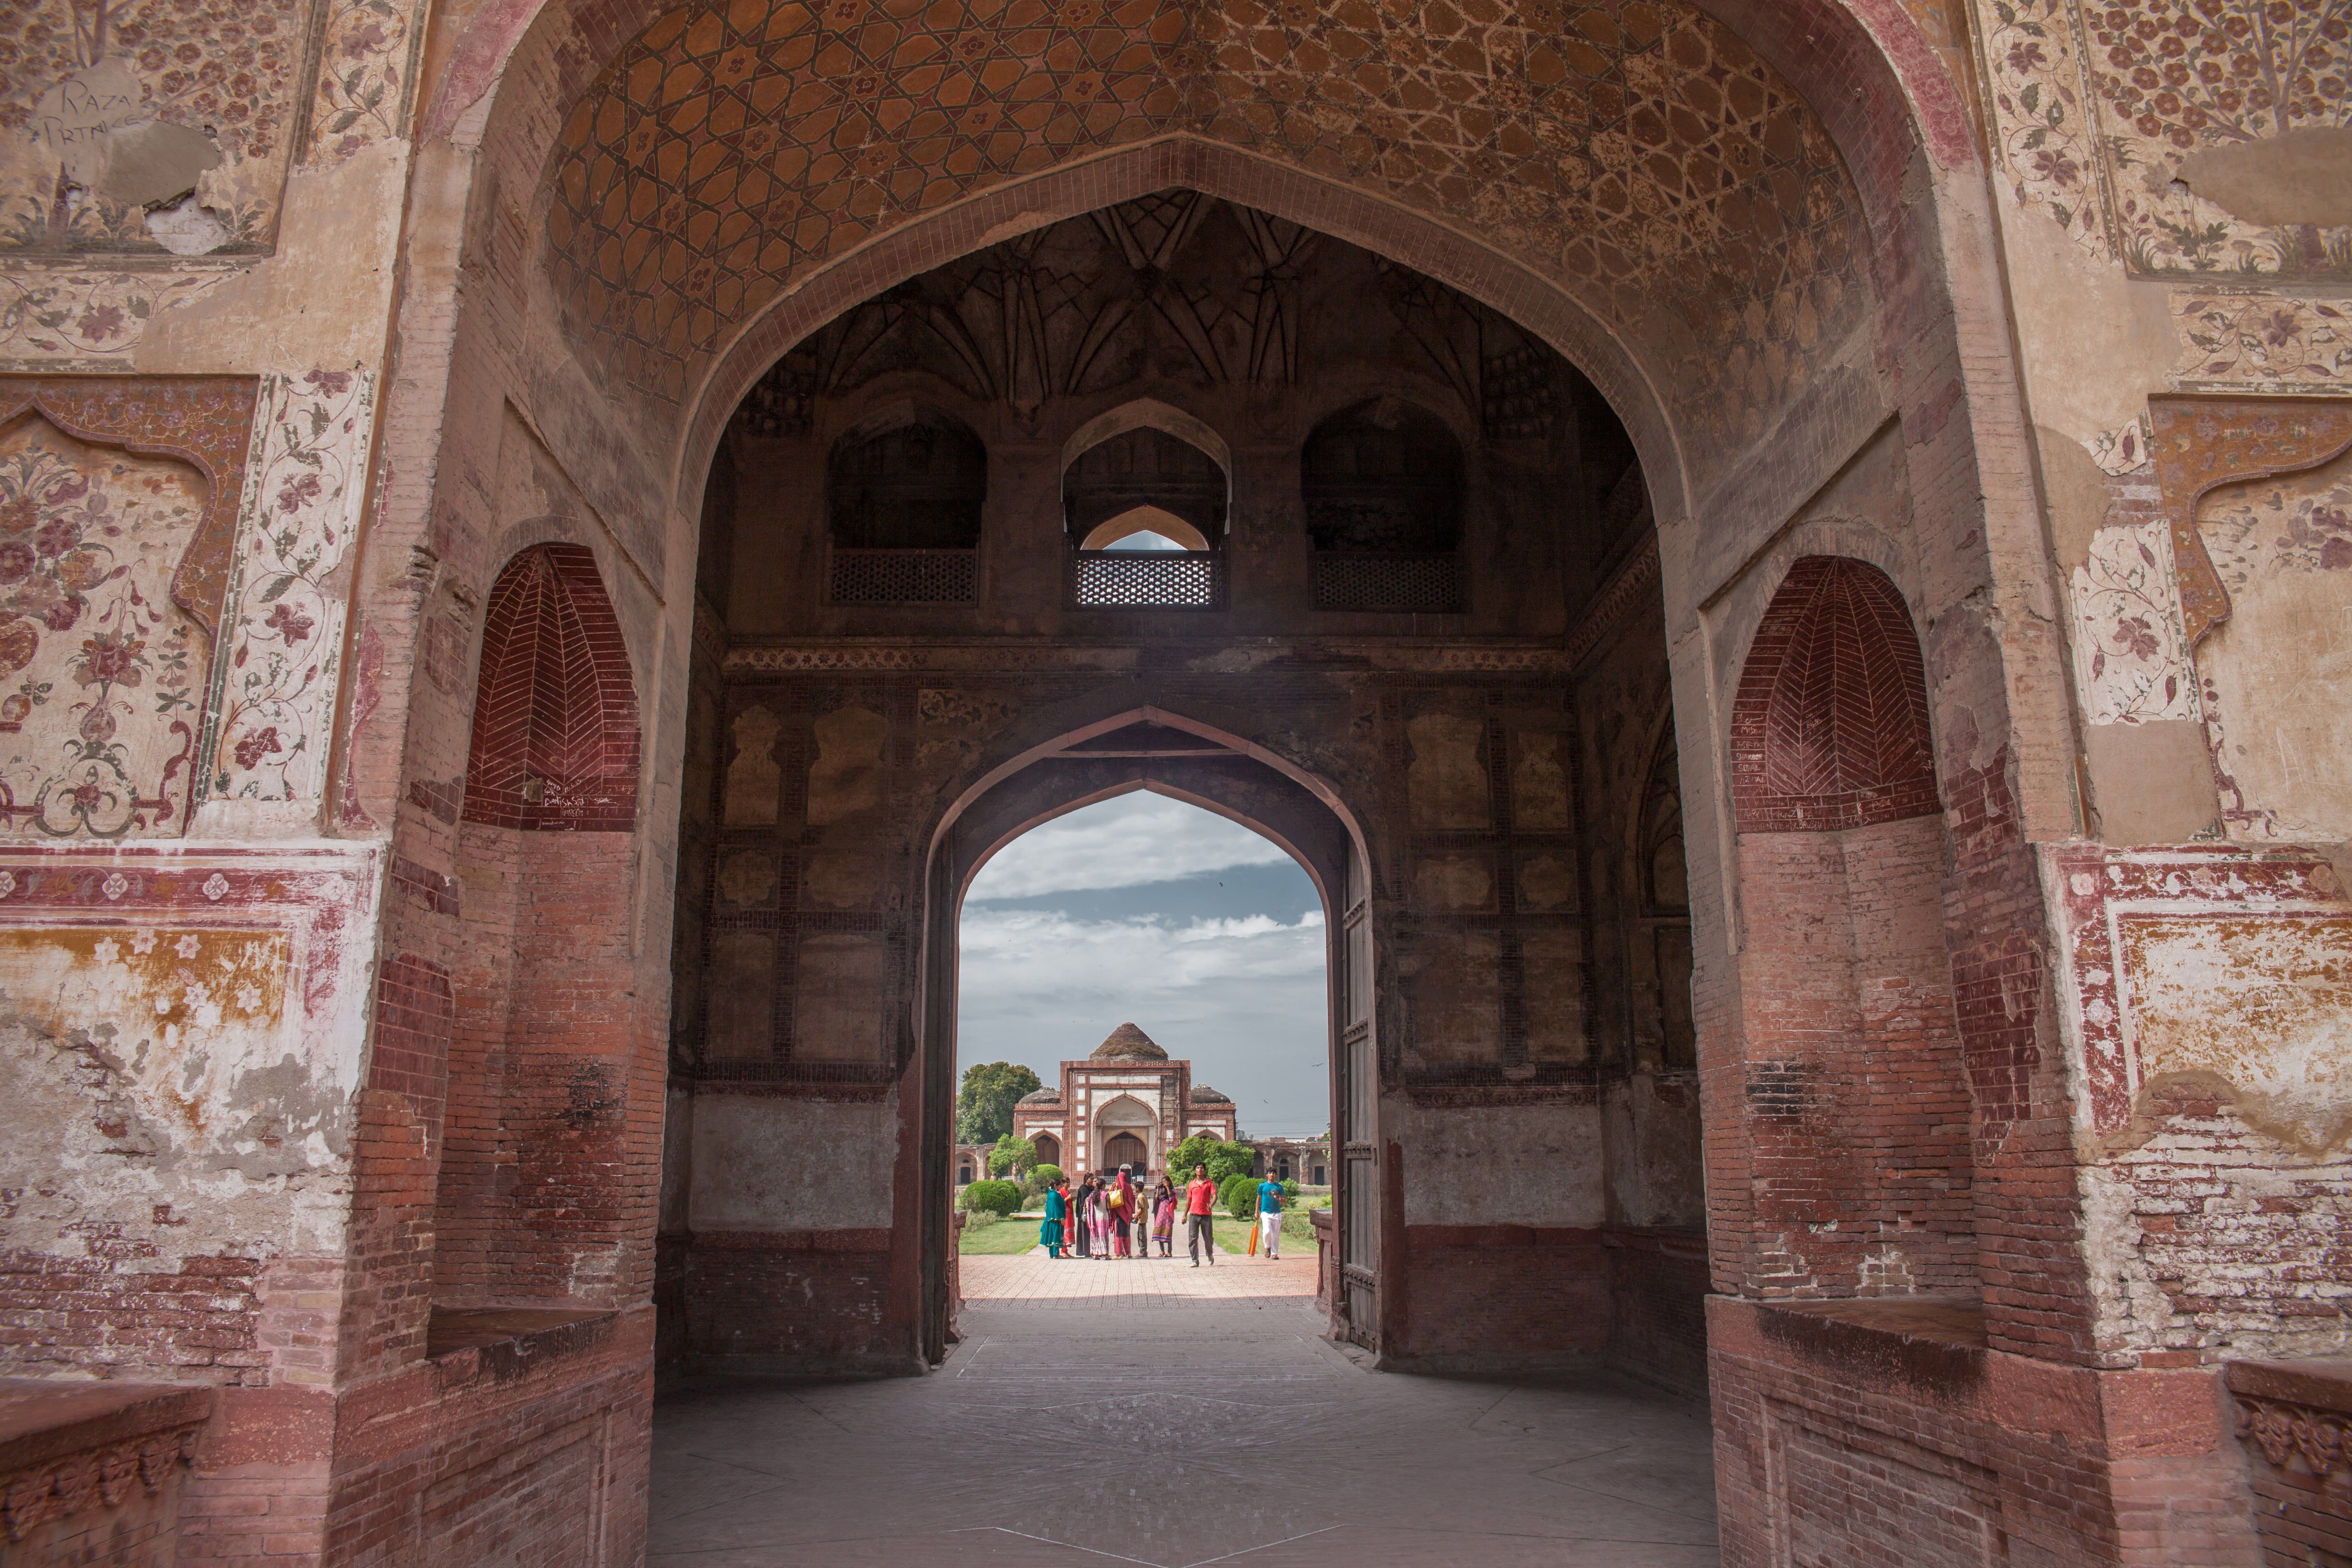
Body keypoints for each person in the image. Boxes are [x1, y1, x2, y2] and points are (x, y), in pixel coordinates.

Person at [1184, 1163, 1218, 1267]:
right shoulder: (1192, 1184)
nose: (1200, 1169)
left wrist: (1211, 1205)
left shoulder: (1209, 1183)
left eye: (1202, 1168)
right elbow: (1189, 1201)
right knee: (1193, 1238)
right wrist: (1185, 1215)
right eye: (1198, 1168)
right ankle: (1195, 1260)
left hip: (1206, 1215)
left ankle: (1210, 1254)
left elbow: (1215, 1196)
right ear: (1195, 1171)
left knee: (1208, 1238)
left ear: (1204, 1170)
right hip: (1194, 1215)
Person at [1256, 1173, 1284, 1260]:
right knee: (1267, 1232)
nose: (1272, 1175)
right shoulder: (1262, 1186)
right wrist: (1256, 1212)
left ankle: (1274, 1254)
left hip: (1277, 1213)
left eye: (1273, 1174)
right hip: (1266, 1212)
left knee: (1275, 1235)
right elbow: (1259, 1198)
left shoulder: (1279, 1187)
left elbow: (1284, 1201)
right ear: (1267, 1175)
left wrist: (1279, 1199)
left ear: (1276, 1175)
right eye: (1270, 1173)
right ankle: (1268, 1247)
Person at [1108, 1168, 1134, 1258]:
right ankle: (1129, 1253)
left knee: (1118, 1233)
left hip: (1118, 1213)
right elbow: (1132, 1200)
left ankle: (1119, 1253)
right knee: (1127, 1233)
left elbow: (1110, 1197)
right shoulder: (1129, 1187)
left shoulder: (1115, 1186)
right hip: (1127, 1214)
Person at [1041, 1176, 1068, 1258]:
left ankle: (1052, 1254)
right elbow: (1057, 1208)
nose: (1060, 1187)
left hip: (1050, 1219)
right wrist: (1062, 1218)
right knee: (1056, 1236)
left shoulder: (1050, 1194)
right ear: (1056, 1186)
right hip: (1056, 1219)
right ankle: (1056, 1255)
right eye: (1059, 1185)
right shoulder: (1056, 1195)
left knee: (1051, 1236)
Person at [1152, 1172, 1177, 1258]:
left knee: (1168, 1232)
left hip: (1168, 1214)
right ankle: (1162, 1251)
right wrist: (1158, 1189)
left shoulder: (1172, 1190)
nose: (1164, 1184)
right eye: (1163, 1182)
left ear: (1169, 1182)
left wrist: (1168, 1188)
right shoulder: (1161, 1191)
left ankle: (1169, 1252)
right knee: (1160, 1231)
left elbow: (1171, 1199)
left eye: (1165, 1182)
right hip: (1161, 1213)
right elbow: (1157, 1200)